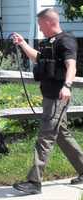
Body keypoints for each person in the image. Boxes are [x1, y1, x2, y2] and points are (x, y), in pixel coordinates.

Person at [11, 8, 83, 194]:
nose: (40, 29)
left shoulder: (65, 41)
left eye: (41, 25)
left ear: (50, 22)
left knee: (45, 136)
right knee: (62, 135)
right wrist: (22, 44)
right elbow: (38, 58)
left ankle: (34, 182)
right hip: (49, 96)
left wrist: (67, 86)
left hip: (58, 96)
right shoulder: (49, 43)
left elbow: (71, 65)